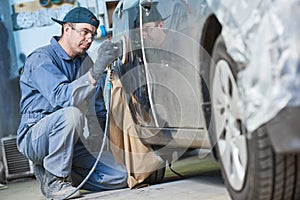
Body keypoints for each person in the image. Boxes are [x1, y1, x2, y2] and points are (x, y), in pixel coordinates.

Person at [16, 7, 128, 199]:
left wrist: (101, 143)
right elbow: (62, 97)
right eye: (84, 32)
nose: (89, 39)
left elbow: (97, 108)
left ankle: (64, 171)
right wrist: (95, 72)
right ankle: (53, 180)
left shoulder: (84, 62)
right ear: (67, 29)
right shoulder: (41, 59)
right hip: (35, 136)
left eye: (92, 35)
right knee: (71, 114)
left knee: (121, 177)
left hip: (72, 140)